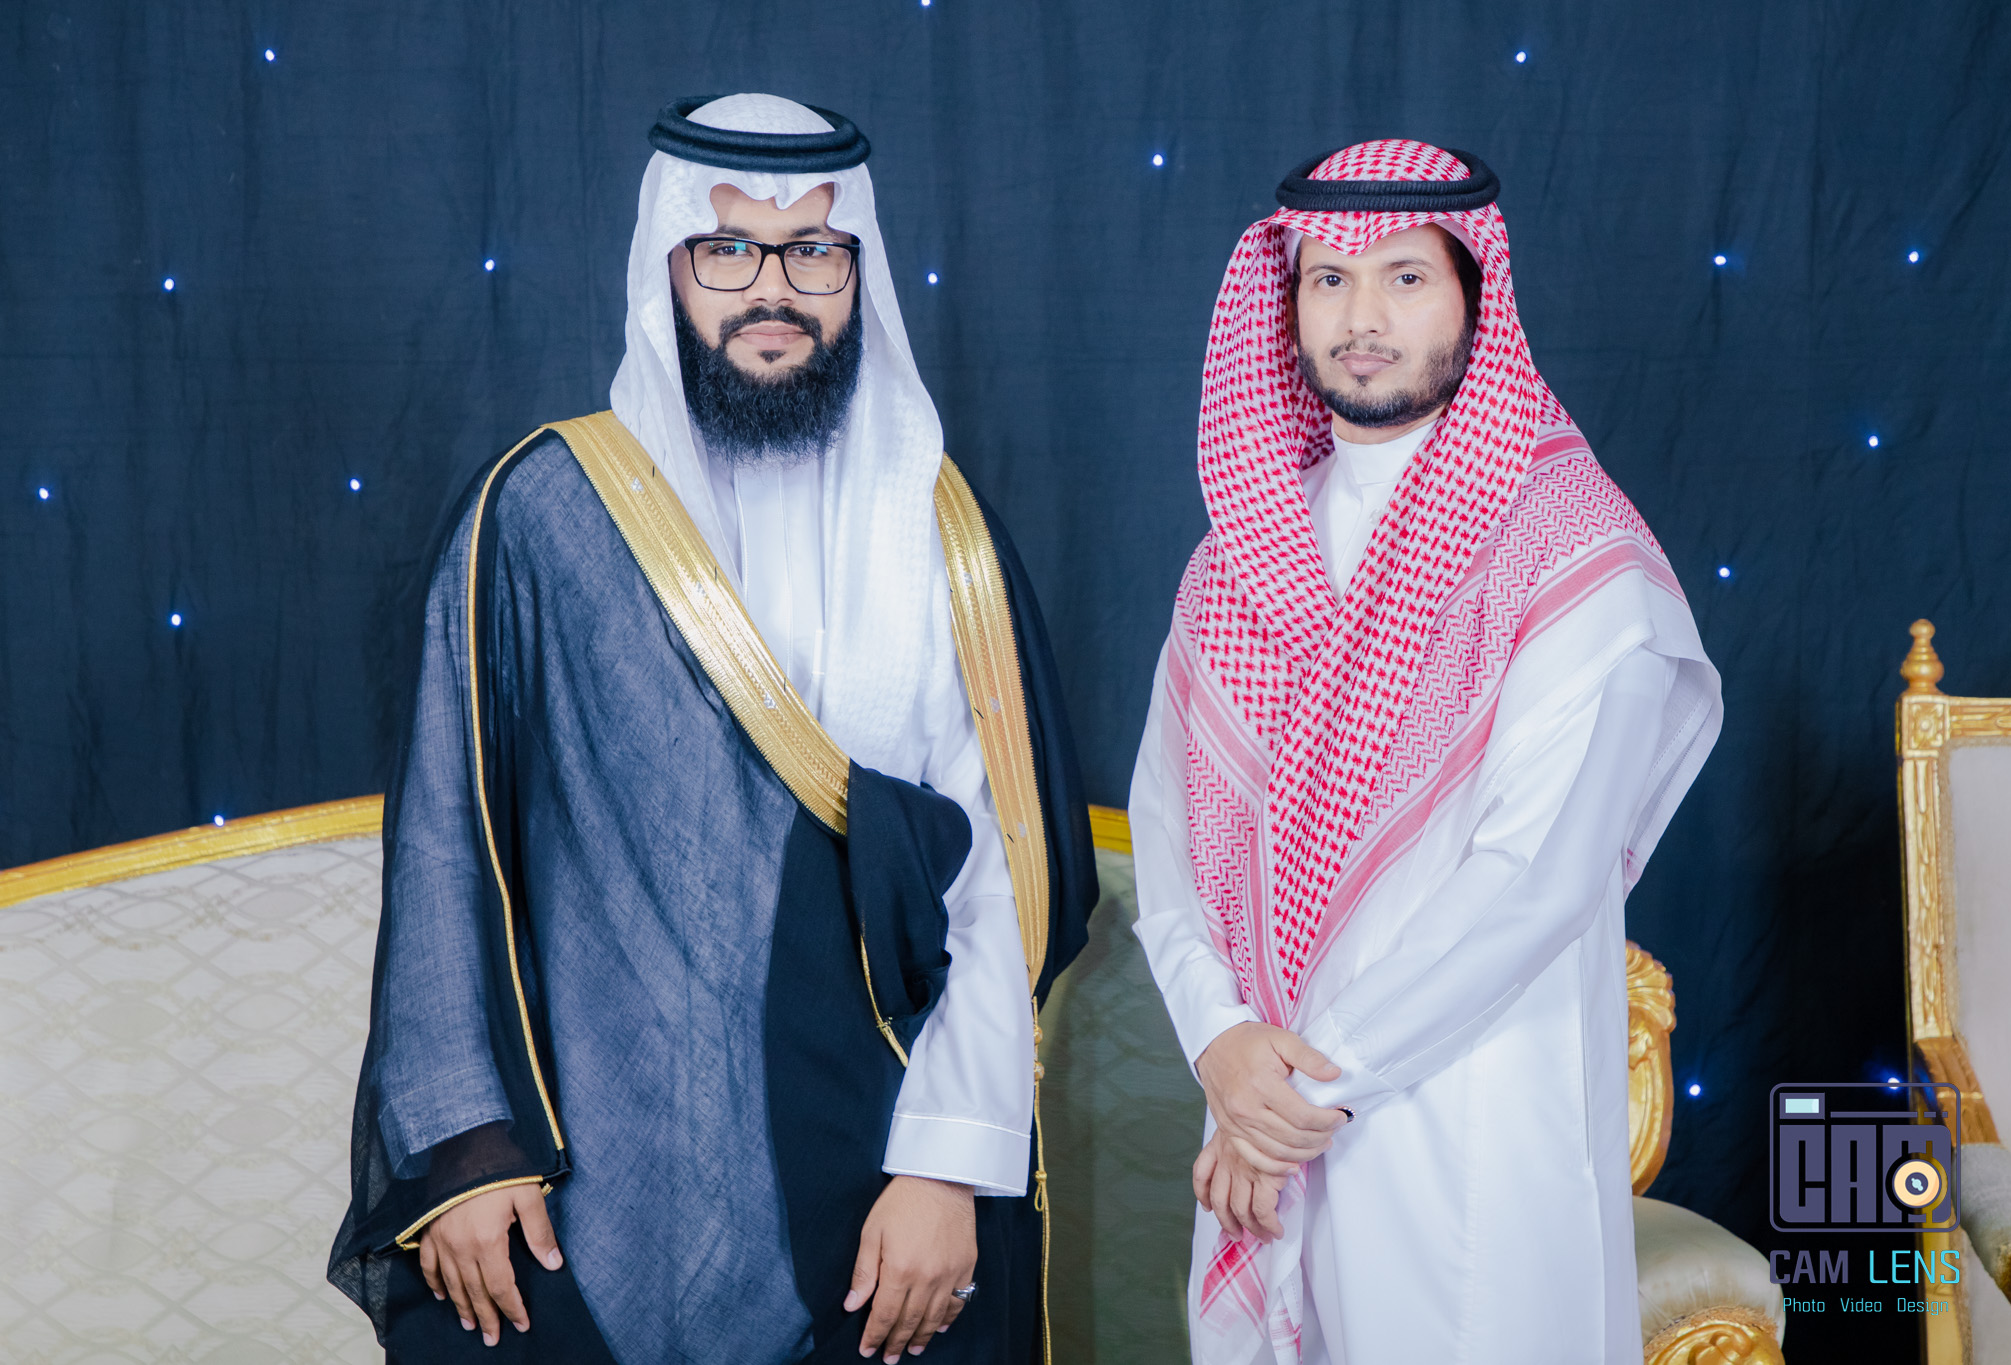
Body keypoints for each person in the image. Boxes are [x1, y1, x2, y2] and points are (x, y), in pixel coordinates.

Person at [328, 93, 1094, 1365]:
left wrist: (948, 1165)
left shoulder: (939, 531)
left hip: (880, 1160)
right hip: (581, 1163)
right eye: (728, 249)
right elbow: (446, 844)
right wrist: (466, 1152)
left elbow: (998, 883)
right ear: (667, 267)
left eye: (813, 253)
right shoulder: (545, 514)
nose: (771, 290)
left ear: (858, 273)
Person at [1128, 139, 1722, 1362]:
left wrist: (1300, 1094)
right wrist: (1219, 1044)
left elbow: (1534, 879)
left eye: (1403, 277)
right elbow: (1165, 830)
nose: (1361, 319)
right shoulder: (1239, 552)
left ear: (1471, 295)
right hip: (1261, 1102)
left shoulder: (1569, 549)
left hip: (1467, 1116)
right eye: (1328, 279)